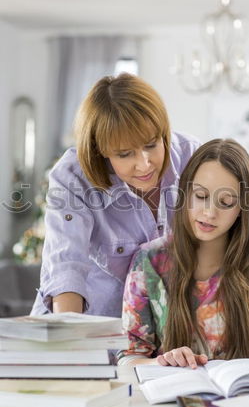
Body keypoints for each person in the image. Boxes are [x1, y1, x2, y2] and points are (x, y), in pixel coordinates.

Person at [31, 73, 200, 317]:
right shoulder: (73, 177)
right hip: (89, 320)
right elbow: (66, 267)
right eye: (124, 154)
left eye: (151, 145)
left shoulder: (191, 156)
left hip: (159, 328)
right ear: (101, 150)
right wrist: (69, 342)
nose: (144, 165)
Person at [118, 139, 249, 367]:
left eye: (226, 202)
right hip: (169, 397)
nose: (209, 213)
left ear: (242, 208)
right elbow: (129, 357)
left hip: (241, 400)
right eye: (200, 196)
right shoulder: (149, 263)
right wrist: (163, 363)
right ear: (185, 194)